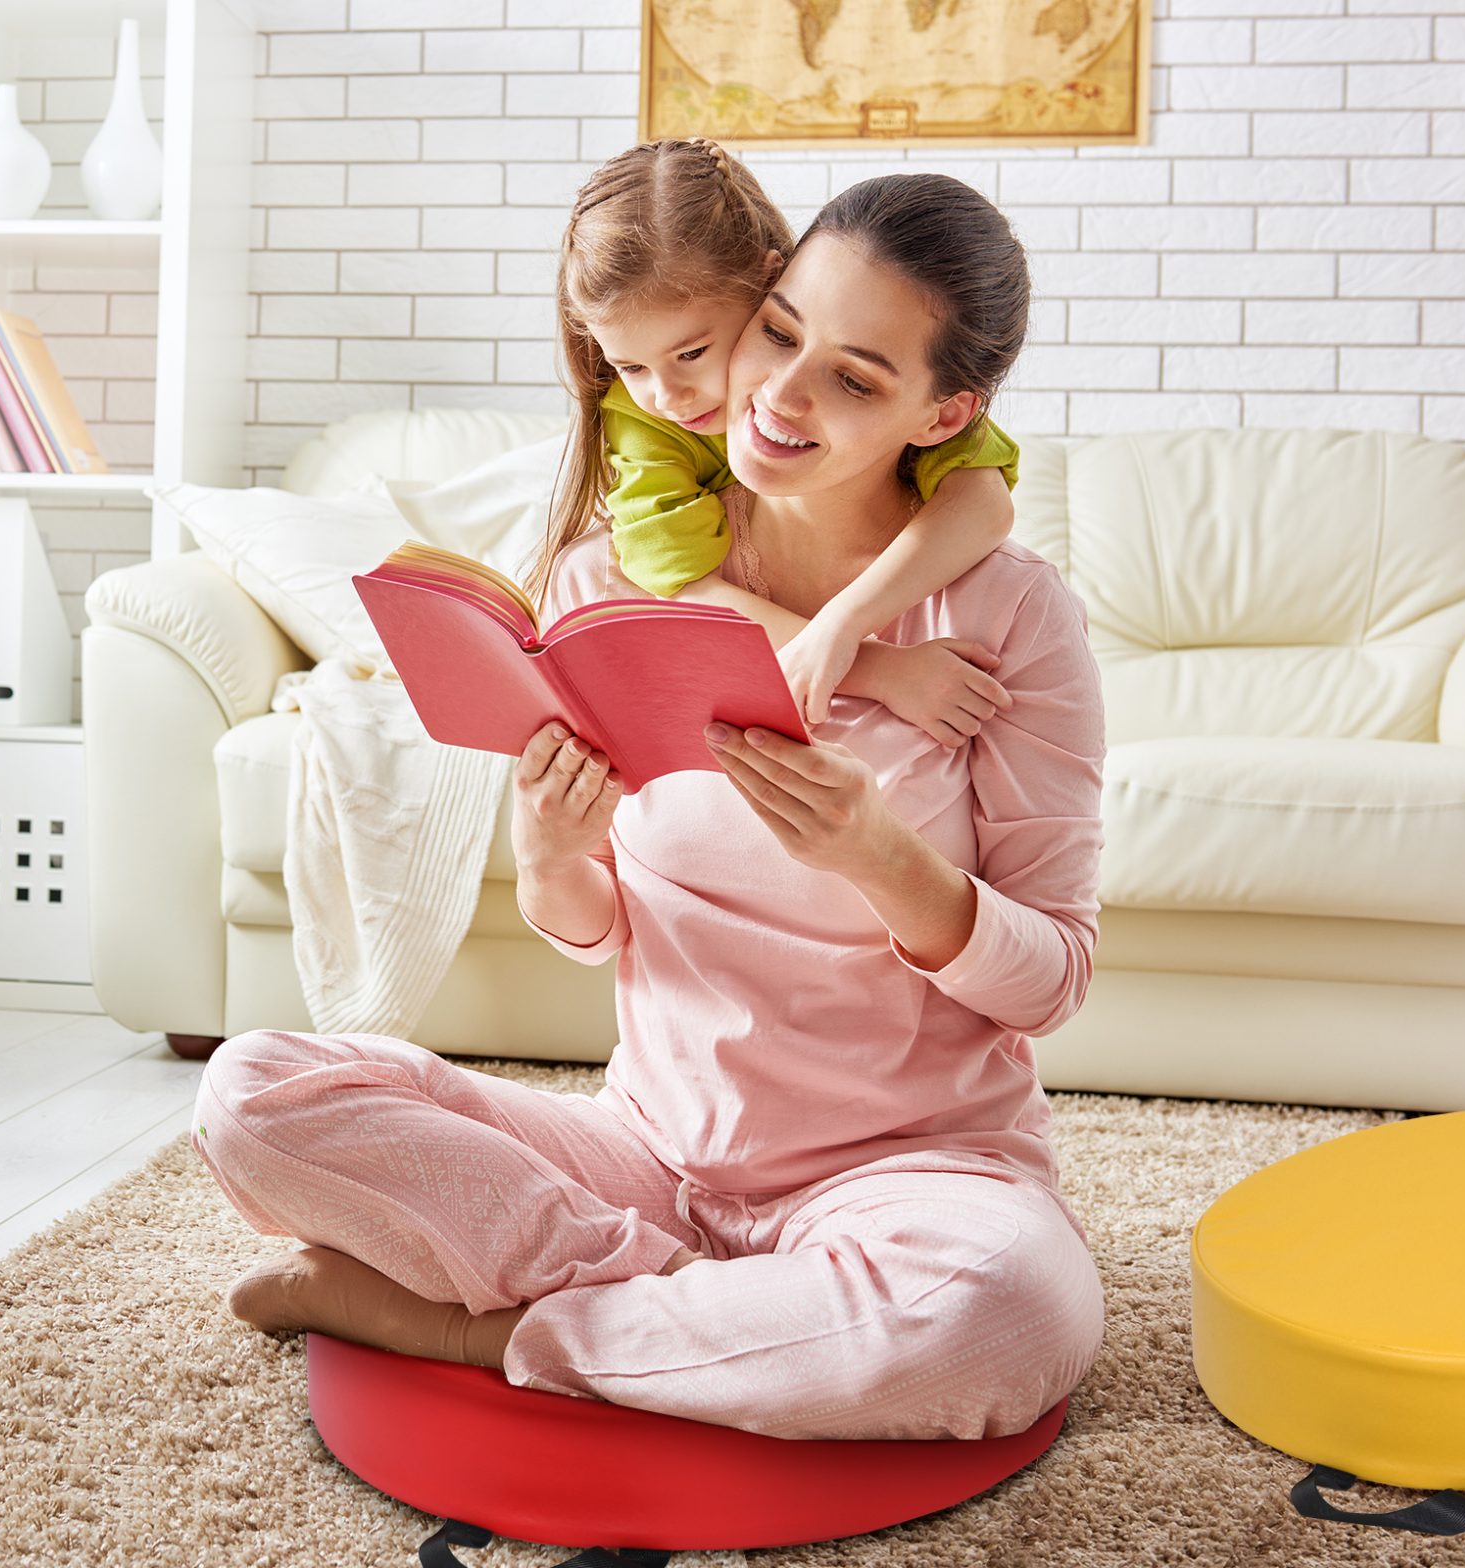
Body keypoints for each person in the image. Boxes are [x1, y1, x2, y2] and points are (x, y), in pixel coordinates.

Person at [191, 171, 1107, 1443]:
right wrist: (550, 851)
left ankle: (479, 1324)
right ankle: (702, 1308)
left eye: (854, 376)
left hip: (909, 1167)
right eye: (779, 331)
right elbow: (604, 930)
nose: (779, 394)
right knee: (251, 1094)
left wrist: (882, 859)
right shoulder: (603, 575)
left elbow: (1050, 980)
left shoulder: (1006, 613)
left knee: (999, 1310)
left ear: (942, 410)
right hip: (649, 1155)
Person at [551, 136, 1020, 737]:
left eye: (693, 353)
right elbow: (683, 590)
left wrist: (845, 622)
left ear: (766, 283)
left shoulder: (907, 401)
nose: (667, 398)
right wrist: (878, 670)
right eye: (630, 367)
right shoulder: (645, 423)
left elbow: (983, 500)